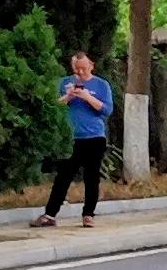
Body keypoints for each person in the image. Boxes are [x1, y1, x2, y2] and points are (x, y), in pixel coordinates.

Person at [35, 51, 114, 228]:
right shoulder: (64, 83)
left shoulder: (101, 85)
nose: (80, 73)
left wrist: (87, 97)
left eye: (83, 69)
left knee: (91, 177)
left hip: (94, 137)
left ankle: (88, 214)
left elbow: (107, 110)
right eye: (76, 69)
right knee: (63, 177)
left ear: (91, 66)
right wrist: (69, 96)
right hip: (70, 138)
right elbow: (54, 106)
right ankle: (50, 214)